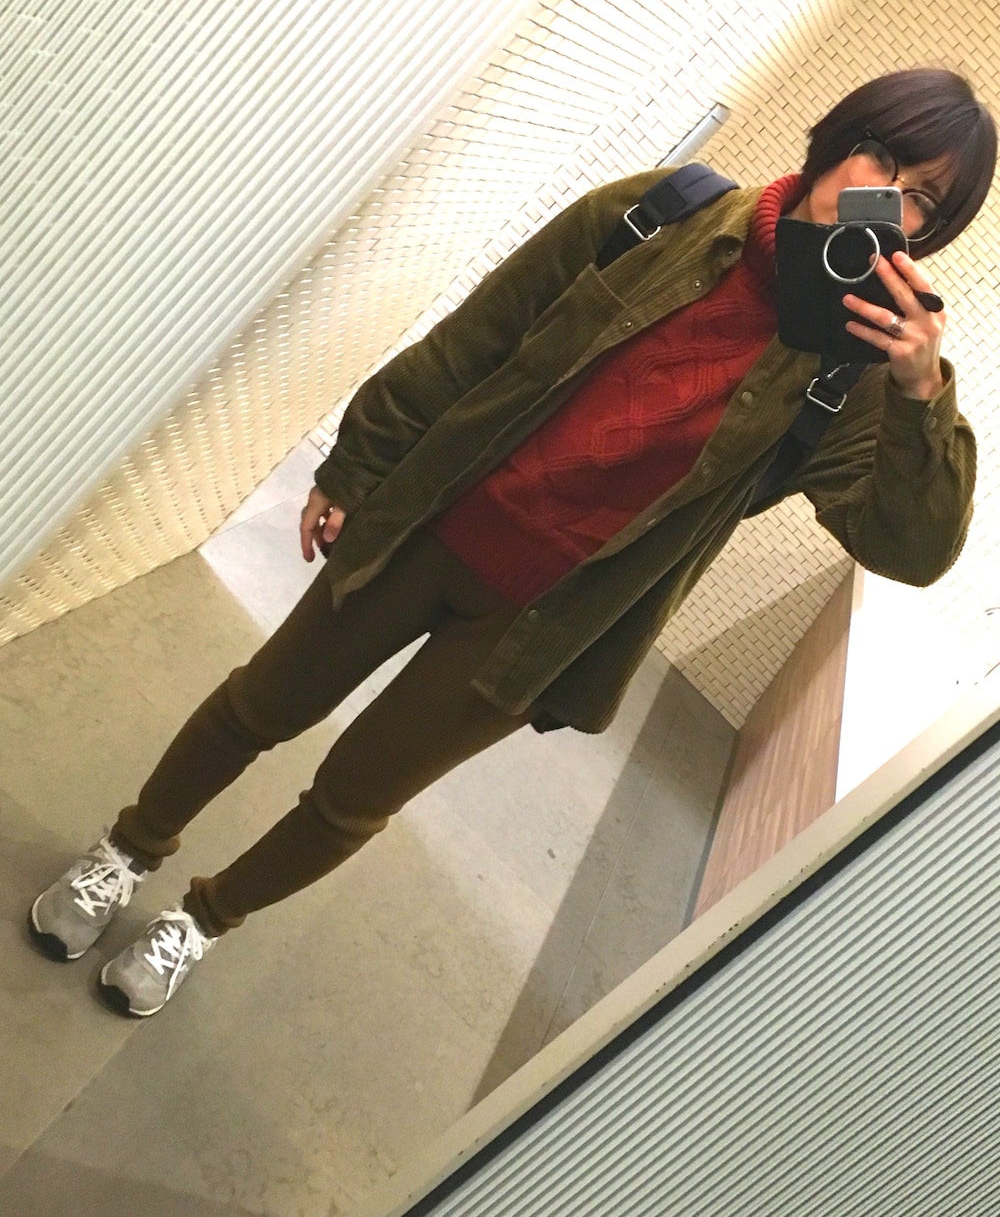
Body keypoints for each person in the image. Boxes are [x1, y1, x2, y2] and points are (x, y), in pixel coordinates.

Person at [28, 66, 996, 1016]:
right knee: (259, 703)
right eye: (880, 159)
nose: (885, 198)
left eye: (919, 200)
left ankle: (201, 922)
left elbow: (912, 552)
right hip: (433, 523)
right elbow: (476, 338)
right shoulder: (659, 212)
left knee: (351, 799)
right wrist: (359, 463)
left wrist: (921, 392)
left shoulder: (855, 374)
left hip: (542, 626)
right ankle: (127, 852)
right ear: (836, 141)